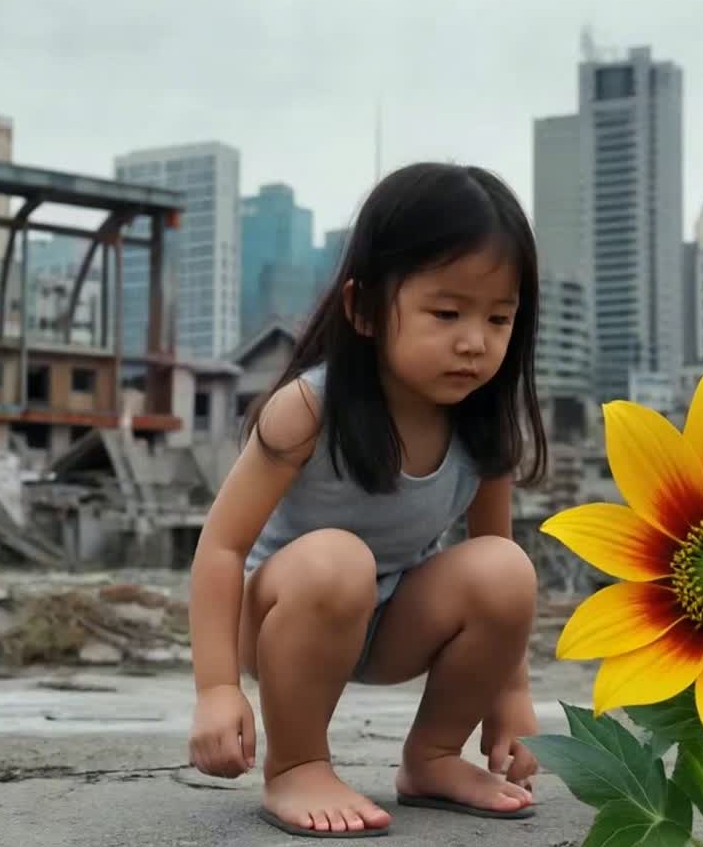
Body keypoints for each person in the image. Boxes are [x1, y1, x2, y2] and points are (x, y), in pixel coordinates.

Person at [187, 162, 550, 838]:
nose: (474, 341)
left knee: (506, 568)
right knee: (336, 560)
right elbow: (222, 545)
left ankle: (434, 757)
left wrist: (511, 694)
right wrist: (216, 689)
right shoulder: (307, 409)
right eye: (446, 313)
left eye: (499, 318)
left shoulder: (485, 426)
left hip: (389, 624)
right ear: (362, 309)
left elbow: (489, 561)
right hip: (281, 616)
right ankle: (296, 764)